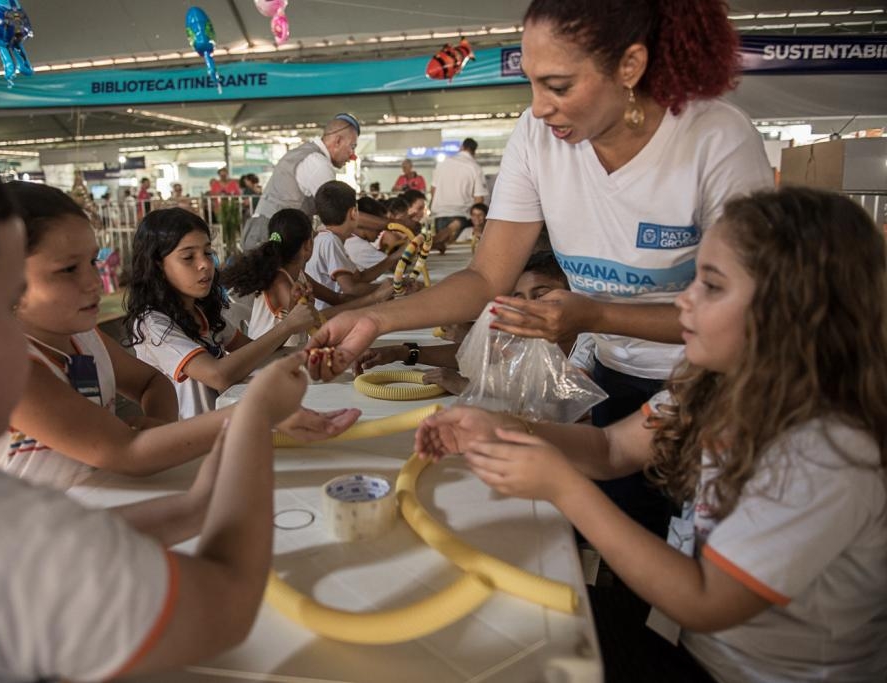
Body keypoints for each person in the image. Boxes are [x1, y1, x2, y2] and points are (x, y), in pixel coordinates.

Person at [307, 0, 773, 539]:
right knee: (618, 536)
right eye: (530, 82)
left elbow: (747, 315)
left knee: (699, 546)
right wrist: (379, 321)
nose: (538, 107)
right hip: (609, 380)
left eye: (558, 85)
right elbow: (486, 278)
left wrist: (595, 312)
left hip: (713, 385)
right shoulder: (537, 137)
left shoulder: (714, 140)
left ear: (630, 66)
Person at [0, 125, 313, 681]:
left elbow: (72, 532)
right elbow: (229, 600)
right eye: (6, 302)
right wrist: (255, 417)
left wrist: (196, 507)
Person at [416, 187, 887, 683]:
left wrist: (562, 486)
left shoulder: (828, 449)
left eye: (711, 286)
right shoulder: (719, 387)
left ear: (792, 309)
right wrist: (509, 427)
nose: (683, 301)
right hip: (695, 644)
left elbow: (706, 600)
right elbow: (611, 448)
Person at [0, 183, 356, 490]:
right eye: (67, 269)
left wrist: (158, 426)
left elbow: (151, 382)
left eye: (93, 262)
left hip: (115, 500)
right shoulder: (13, 370)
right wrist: (260, 411)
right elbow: (128, 450)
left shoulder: (87, 337)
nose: (94, 282)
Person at [124, 207, 321, 415]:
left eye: (207, 253)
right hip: (191, 439)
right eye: (188, 257)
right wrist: (289, 325)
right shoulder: (153, 324)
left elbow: (258, 353)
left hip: (221, 427)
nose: (205, 265)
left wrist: (291, 313)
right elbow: (218, 375)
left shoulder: (202, 311)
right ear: (157, 266)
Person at [356, 250, 578, 396]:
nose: (530, 306)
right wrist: (402, 352)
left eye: (540, 295)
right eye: (519, 299)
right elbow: (488, 356)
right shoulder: (529, 337)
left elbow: (555, 401)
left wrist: (470, 389)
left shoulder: (586, 347)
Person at [221, 208, 393, 341]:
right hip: (266, 362)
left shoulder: (298, 275)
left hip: (285, 355)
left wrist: (382, 294)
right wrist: (374, 298)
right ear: (308, 245)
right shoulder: (280, 281)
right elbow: (312, 319)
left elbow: (338, 299)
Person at [241, 113, 361, 250]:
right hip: (271, 234)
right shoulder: (318, 163)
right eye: (352, 146)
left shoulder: (306, 153)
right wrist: (385, 224)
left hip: (266, 230)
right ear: (337, 141)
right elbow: (341, 214)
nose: (353, 156)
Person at [305, 181, 393, 311]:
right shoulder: (330, 241)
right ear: (353, 213)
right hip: (327, 318)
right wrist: (391, 288)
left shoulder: (326, 238)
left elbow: (360, 278)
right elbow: (351, 289)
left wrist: (396, 257)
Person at [429, 138, 487, 248]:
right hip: (462, 216)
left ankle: (436, 240)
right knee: (459, 254)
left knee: (442, 255)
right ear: (474, 152)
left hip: (440, 217)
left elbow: (433, 191)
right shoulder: (475, 167)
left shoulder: (443, 164)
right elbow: (479, 199)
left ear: (461, 147)